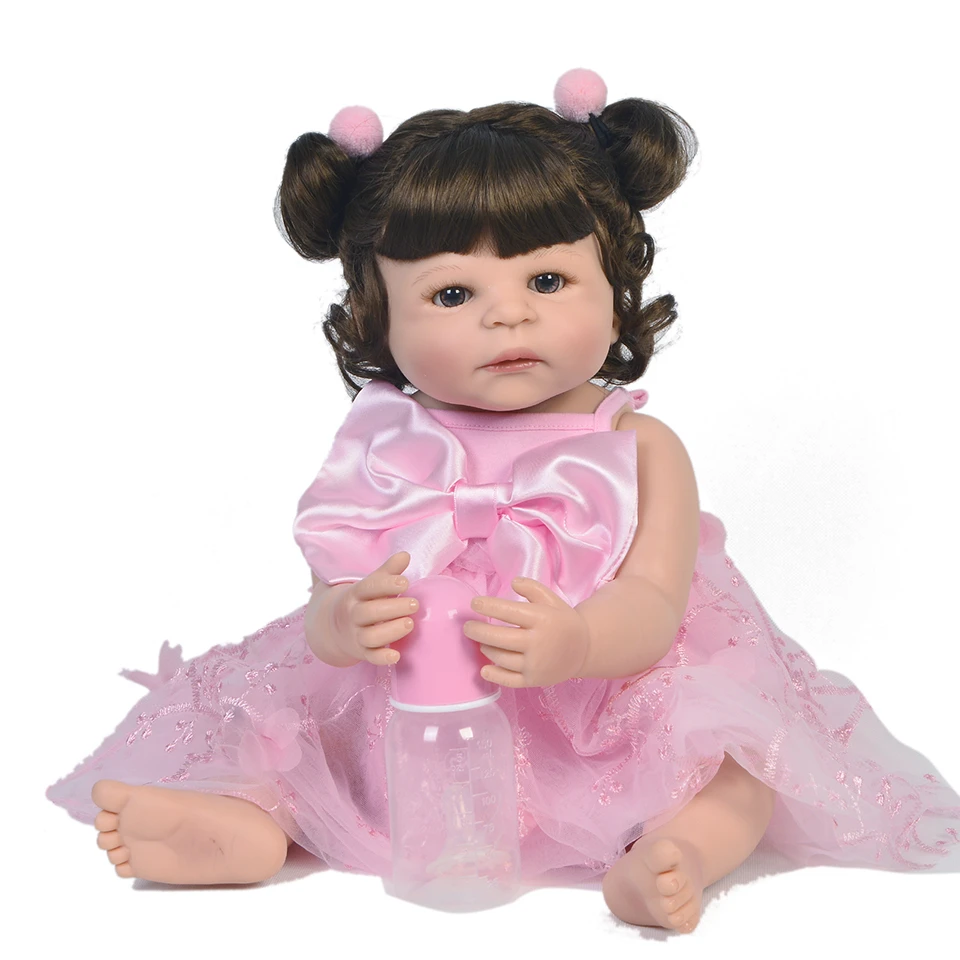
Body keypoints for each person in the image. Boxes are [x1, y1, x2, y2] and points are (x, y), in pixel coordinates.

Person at [46, 67, 960, 934]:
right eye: (453, 292)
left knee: (737, 766)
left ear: (616, 289)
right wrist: (346, 624)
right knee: (284, 740)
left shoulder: (638, 448)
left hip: (604, 707)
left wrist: (580, 642)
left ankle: (675, 853)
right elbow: (329, 591)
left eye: (547, 280)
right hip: (410, 721)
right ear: (379, 318)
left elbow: (653, 603)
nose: (507, 313)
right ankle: (247, 828)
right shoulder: (388, 447)